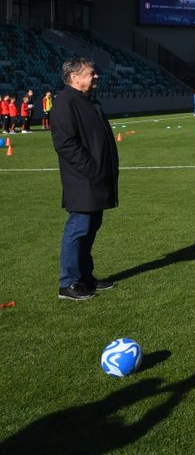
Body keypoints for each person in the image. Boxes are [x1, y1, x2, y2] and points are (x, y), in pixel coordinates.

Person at [52, 57, 119, 301]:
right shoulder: (65, 103)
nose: (96, 76)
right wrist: (91, 168)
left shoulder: (87, 101)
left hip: (96, 178)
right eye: (91, 73)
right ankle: (68, 283)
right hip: (83, 180)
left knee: (90, 229)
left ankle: (85, 278)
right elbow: (65, 144)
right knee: (78, 229)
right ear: (75, 77)